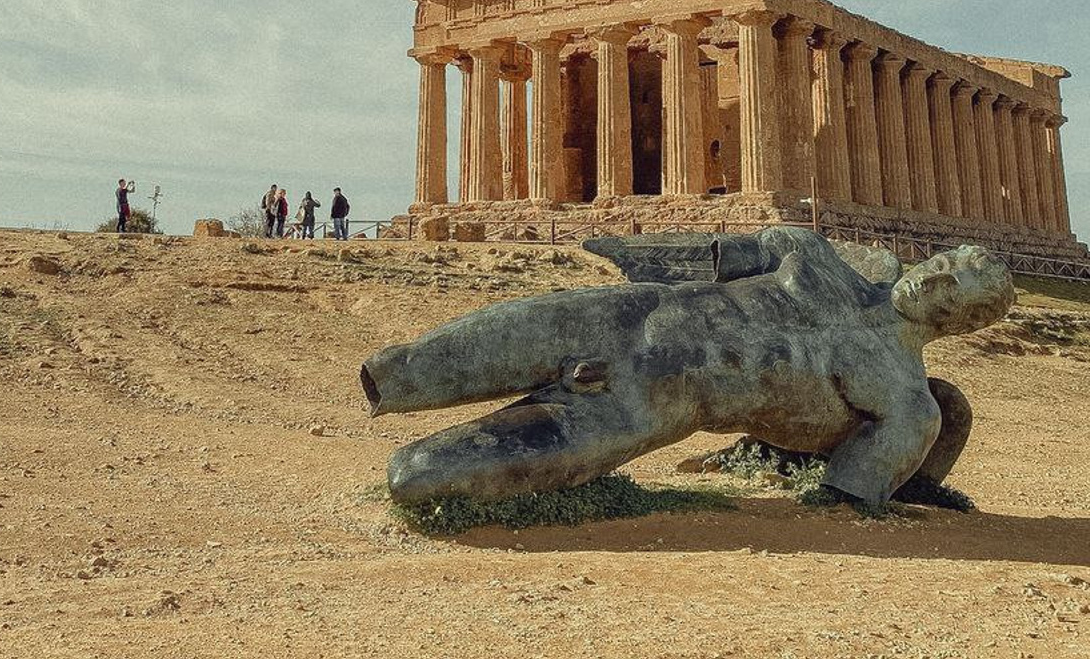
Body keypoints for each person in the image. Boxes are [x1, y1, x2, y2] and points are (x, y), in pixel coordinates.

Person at [362, 228, 1013, 509]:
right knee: (406, 366)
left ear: (963, 322)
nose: (936, 281)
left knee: (420, 478)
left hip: (658, 401)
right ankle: (390, 385)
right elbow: (698, 257)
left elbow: (845, 494)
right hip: (626, 313)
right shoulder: (813, 255)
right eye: (943, 266)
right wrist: (620, 251)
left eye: (954, 290)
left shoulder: (908, 403)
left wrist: (894, 478)